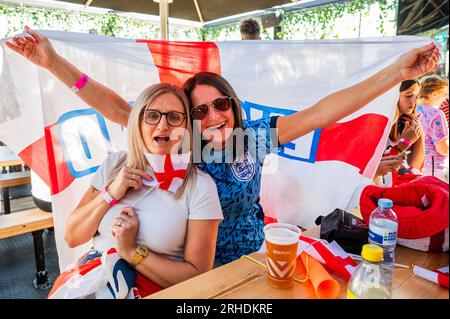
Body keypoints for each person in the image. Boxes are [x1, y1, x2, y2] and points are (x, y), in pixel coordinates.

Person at [7, 27, 440, 265]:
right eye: (199, 111)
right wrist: (53, 63)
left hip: (255, 260)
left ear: (232, 104)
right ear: (187, 121)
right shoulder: (183, 142)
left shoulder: (252, 136)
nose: (213, 117)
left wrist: (394, 76)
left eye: (220, 104)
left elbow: (323, 112)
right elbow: (122, 109)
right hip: (190, 274)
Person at [50, 83, 223, 298]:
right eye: (152, 116)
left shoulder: (200, 186)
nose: (162, 125)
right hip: (87, 282)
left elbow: (198, 276)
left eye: (174, 117)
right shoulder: (114, 164)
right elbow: (72, 237)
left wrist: (132, 252)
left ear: (186, 127)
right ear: (138, 123)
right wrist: (110, 193)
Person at [374, 79, 425, 186]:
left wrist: (419, 134)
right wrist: (404, 144)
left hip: (391, 186)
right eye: (408, 95)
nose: (413, 101)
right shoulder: (378, 123)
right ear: (393, 95)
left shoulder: (406, 124)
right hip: (378, 188)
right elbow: (375, 168)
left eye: (416, 96)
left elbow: (414, 166)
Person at [416, 75, 449, 175]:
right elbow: (443, 149)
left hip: (416, 168)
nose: (445, 98)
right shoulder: (436, 114)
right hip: (435, 169)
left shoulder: (413, 111)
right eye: (444, 94)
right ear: (434, 94)